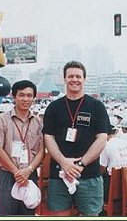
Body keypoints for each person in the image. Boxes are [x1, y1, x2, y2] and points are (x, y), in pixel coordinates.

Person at [42, 61, 110, 216]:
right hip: (59, 173)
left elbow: (102, 139)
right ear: (64, 79)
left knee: (90, 215)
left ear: (84, 79)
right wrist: (64, 162)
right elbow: (48, 137)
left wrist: (80, 163)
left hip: (88, 173)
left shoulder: (96, 106)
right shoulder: (53, 107)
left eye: (78, 76)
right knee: (60, 214)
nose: (74, 79)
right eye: (70, 76)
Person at [0, 80, 44, 215]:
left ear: (34, 98)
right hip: (8, 175)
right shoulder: (2, 120)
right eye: (21, 95)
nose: (25, 99)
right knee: (4, 213)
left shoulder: (38, 123)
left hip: (30, 175)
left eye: (29, 96)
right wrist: (17, 172)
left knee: (28, 212)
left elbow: (41, 150)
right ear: (14, 96)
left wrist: (28, 170)